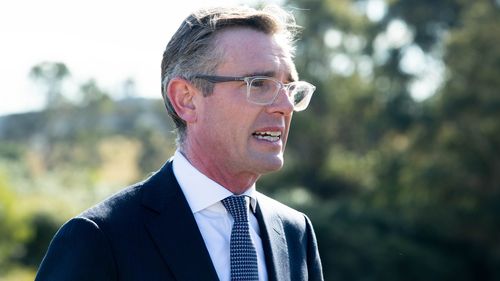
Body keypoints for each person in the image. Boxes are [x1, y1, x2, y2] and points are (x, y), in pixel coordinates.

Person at [35, 4, 323, 281]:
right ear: (186, 99)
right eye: (259, 83)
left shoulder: (295, 233)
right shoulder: (98, 238)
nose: (285, 106)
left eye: (290, 87)